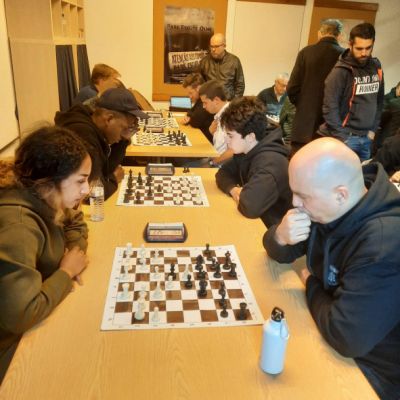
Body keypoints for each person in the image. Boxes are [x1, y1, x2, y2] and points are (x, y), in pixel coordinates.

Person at [263, 137, 400, 399]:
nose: (295, 203)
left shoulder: (384, 244)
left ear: (341, 194)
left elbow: (346, 337)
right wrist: (280, 236)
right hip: (331, 327)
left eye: (303, 196)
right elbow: (283, 253)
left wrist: (310, 284)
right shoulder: (330, 205)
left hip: (375, 369)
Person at [0, 126, 91, 383]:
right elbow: (21, 315)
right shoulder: (19, 226)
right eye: (80, 181)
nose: (86, 190)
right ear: (51, 181)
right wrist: (66, 272)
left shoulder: (45, 196)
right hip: (12, 347)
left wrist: (73, 252)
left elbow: (75, 220)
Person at [55, 87, 148, 199]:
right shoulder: (82, 134)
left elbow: (106, 171)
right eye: (125, 128)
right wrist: (114, 178)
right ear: (109, 119)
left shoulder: (96, 127)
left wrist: (123, 138)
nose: (127, 133)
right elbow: (92, 192)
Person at [215, 97, 291, 227]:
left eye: (230, 136)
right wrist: (234, 190)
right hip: (257, 221)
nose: (227, 140)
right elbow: (222, 173)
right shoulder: (247, 149)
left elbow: (249, 207)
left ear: (250, 137)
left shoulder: (270, 164)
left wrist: (244, 196)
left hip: (271, 228)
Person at [319, 23, 384, 161]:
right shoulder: (340, 71)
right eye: (359, 48)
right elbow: (329, 107)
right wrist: (343, 137)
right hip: (346, 138)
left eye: (368, 48)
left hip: (366, 139)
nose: (364, 53)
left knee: (362, 174)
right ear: (350, 44)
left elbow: (379, 101)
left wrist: (372, 131)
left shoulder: (376, 66)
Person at [287, 19, 344, 155]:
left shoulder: (305, 53)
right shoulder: (344, 56)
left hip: (303, 125)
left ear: (319, 33)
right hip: (330, 127)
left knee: (298, 164)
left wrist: (303, 104)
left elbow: (292, 88)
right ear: (339, 36)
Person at [199, 33, 245, 100]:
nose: (213, 49)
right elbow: (200, 84)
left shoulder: (234, 61)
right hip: (210, 102)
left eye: (216, 46)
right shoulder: (204, 62)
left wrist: (234, 102)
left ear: (224, 46)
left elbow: (240, 85)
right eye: (211, 46)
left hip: (228, 102)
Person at [199, 80, 233, 167]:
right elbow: (221, 144)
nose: (203, 106)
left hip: (221, 167)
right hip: (214, 159)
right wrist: (212, 133)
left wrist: (212, 163)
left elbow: (233, 151)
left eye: (205, 102)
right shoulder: (220, 115)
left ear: (216, 100)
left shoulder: (231, 117)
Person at [181, 73, 214, 143]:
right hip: (202, 137)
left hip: (208, 142)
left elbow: (195, 122)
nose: (189, 96)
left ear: (199, 88)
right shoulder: (199, 100)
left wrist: (190, 118)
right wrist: (190, 116)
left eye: (191, 93)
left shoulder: (206, 99)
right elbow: (191, 111)